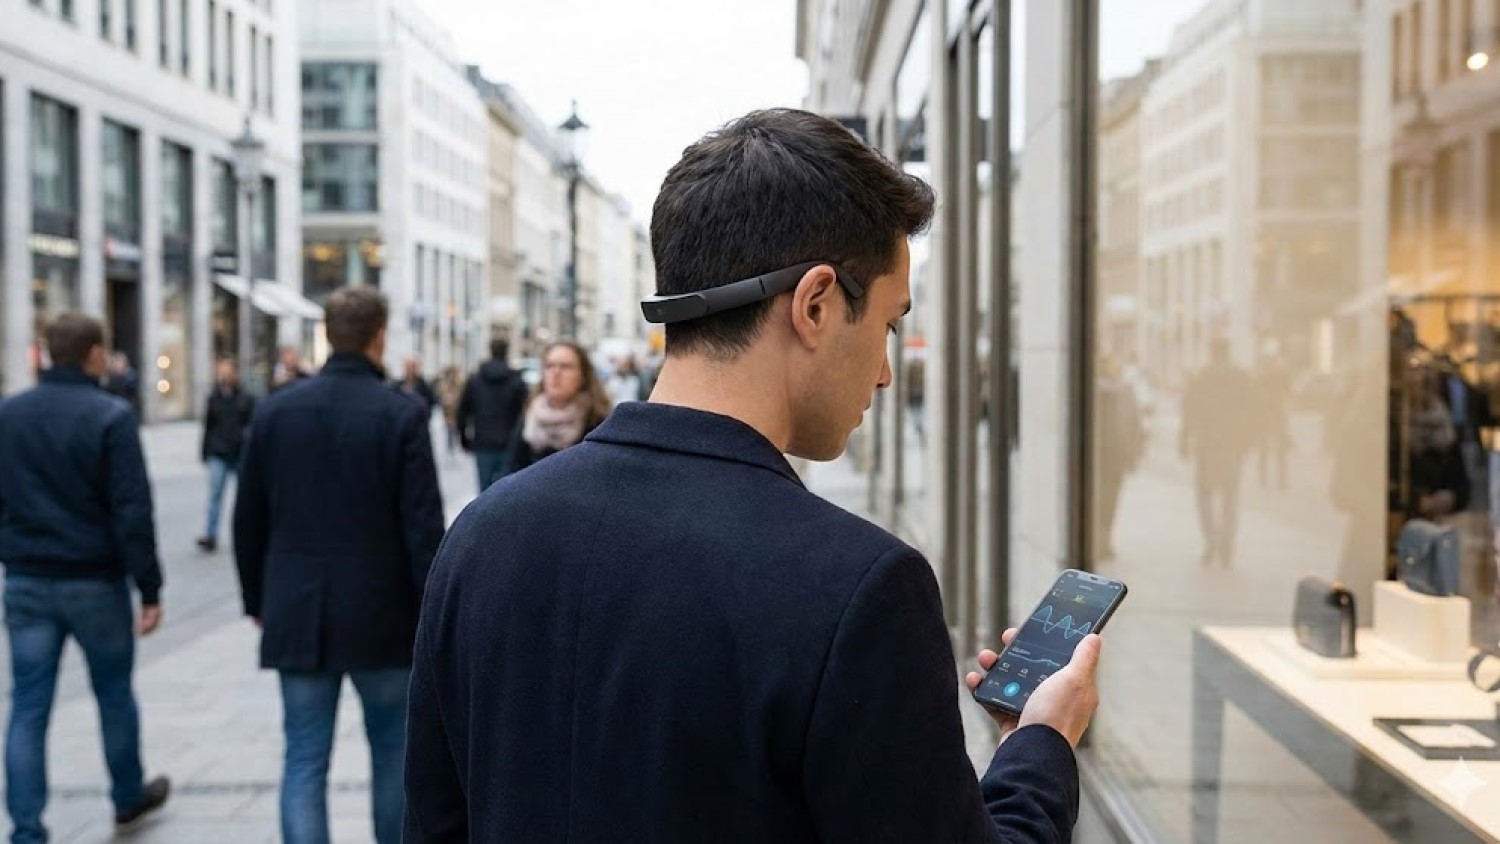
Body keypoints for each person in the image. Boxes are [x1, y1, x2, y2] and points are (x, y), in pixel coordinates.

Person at [405, 108, 1099, 841]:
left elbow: (435, 823)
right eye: (889, 326)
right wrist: (1040, 746)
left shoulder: (485, 532)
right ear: (816, 304)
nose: (888, 371)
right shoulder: (859, 589)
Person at [233, 288, 445, 844]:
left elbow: (248, 517)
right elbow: (422, 529)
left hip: (297, 609)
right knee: (391, 754)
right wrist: (432, 610)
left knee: (304, 755)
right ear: (379, 336)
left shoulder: (275, 411)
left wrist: (257, 599)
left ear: (328, 333)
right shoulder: (401, 413)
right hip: (382, 613)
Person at [0, 314, 170, 843]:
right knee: (114, 693)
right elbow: (131, 510)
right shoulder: (111, 415)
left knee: (28, 704)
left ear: (50, 352)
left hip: (27, 578)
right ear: (95, 353)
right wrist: (149, 587)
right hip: (94, 581)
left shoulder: (10, 414)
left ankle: (27, 827)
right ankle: (126, 797)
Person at [1180, 337, 1256, 567]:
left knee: (1205, 495)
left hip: (1207, 445)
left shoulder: (1201, 377)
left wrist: (1184, 439)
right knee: (1230, 498)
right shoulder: (1241, 377)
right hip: (1233, 445)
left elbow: (1189, 410)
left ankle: (1210, 540)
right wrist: (1247, 441)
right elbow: (1252, 410)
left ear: (1212, 352)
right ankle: (1227, 546)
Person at [504, 339, 612, 473]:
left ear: (583, 375)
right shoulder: (531, 415)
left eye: (565, 366)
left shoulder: (599, 421)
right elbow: (511, 470)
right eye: (549, 366)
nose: (556, 373)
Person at [197, 359, 256, 553]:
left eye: (227, 371)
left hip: (240, 453)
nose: (224, 375)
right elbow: (208, 426)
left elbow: (252, 425)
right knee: (215, 495)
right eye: (221, 371)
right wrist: (205, 451)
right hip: (219, 451)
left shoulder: (246, 398)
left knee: (244, 498)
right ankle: (210, 535)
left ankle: (246, 535)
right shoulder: (214, 398)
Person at [456, 339, 529, 491]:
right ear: (506, 352)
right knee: (508, 491)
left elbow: (463, 410)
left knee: (484, 492)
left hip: (483, 441)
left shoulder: (475, 379)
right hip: (510, 442)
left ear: (490, 352)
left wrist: (464, 438)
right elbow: (525, 413)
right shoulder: (516, 380)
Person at [434, 365, 464, 458]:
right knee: (449, 430)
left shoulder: (459, 383)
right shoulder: (444, 384)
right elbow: (439, 394)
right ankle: (450, 448)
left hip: (456, 411)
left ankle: (454, 447)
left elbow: (462, 395)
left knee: (454, 430)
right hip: (448, 412)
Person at [104, 351, 141, 416]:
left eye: (119, 362)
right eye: (116, 362)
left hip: (127, 404)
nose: (118, 365)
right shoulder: (111, 377)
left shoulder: (130, 376)